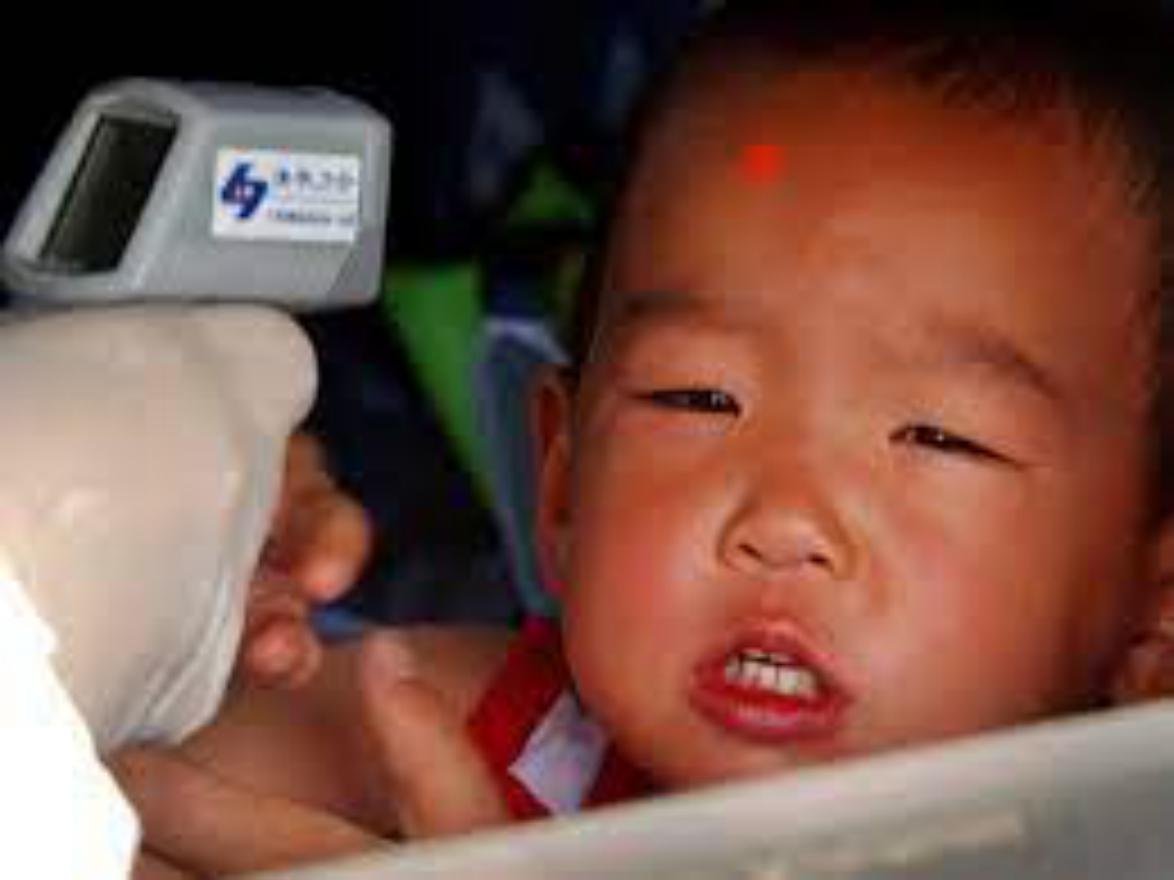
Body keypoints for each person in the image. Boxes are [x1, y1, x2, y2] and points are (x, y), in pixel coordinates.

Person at [113, 1, 1174, 875]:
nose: (782, 519)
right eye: (695, 399)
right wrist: (171, 623)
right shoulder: (486, 734)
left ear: (1153, 611)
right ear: (561, 483)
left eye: (940, 436)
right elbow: (110, 797)